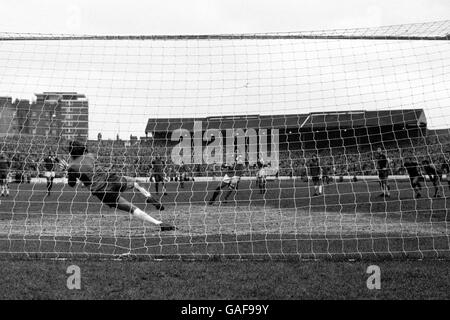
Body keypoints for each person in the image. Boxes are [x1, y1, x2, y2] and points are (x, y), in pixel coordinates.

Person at [64, 141, 176, 231]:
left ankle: (159, 223)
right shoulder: (90, 156)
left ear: (71, 153)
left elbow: (72, 184)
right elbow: (88, 168)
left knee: (130, 208)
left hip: (102, 191)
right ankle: (148, 196)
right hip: (111, 179)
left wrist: (68, 171)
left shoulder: (72, 166)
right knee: (136, 182)